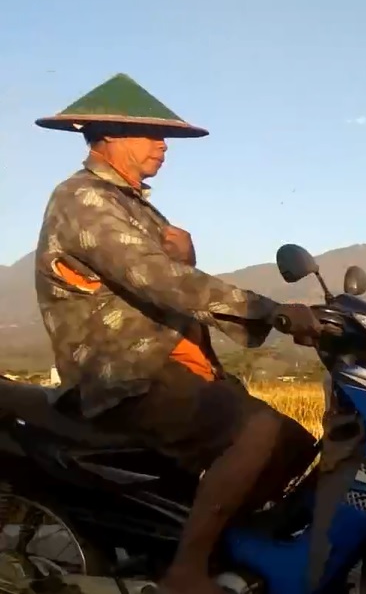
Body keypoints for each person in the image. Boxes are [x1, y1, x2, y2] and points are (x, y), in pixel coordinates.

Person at [31, 73, 321, 594]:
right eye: (151, 135)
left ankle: (223, 548)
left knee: (295, 444)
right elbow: (160, 279)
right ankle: (188, 570)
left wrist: (187, 259)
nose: (162, 147)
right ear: (110, 136)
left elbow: (165, 276)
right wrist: (271, 311)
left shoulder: (132, 203)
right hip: (126, 370)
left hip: (171, 360)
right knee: (258, 434)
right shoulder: (84, 199)